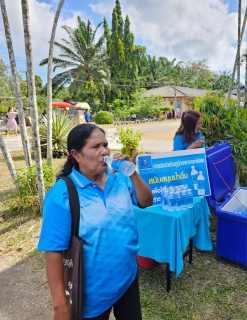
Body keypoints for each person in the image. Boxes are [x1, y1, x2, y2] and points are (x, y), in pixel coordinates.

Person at [37, 123, 153, 320]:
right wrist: (60, 307)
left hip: (128, 279)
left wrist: (133, 173)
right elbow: (53, 251)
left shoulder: (121, 181)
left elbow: (146, 201)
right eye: (95, 147)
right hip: (91, 295)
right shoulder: (63, 194)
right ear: (76, 154)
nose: (104, 151)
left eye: (105, 145)